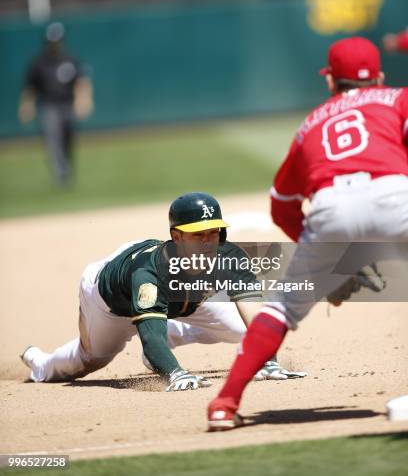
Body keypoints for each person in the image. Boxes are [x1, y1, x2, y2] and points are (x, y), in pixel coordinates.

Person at [207, 36, 408, 429]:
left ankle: (224, 403)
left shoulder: (310, 126)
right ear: (380, 77)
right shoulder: (398, 98)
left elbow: (281, 204)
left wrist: (331, 260)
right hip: (395, 194)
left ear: (331, 82)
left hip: (330, 208)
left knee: (280, 308)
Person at [20, 192, 305, 391]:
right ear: (177, 236)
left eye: (213, 232)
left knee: (241, 331)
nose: (208, 242)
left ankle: (172, 330)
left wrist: (268, 361)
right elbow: (150, 342)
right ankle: (41, 364)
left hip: (180, 297)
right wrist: (175, 373)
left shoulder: (229, 258)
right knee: (91, 360)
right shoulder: (148, 274)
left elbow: (256, 318)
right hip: (110, 300)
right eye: (198, 235)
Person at [18, 22, 94, 185]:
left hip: (67, 105)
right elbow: (30, 87)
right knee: (54, 140)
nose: (54, 44)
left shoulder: (70, 60)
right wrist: (26, 106)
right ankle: (61, 175)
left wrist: (84, 100)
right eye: (52, 41)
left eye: (57, 41)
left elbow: (82, 81)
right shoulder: (38, 63)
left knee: (67, 140)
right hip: (49, 106)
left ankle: (66, 170)